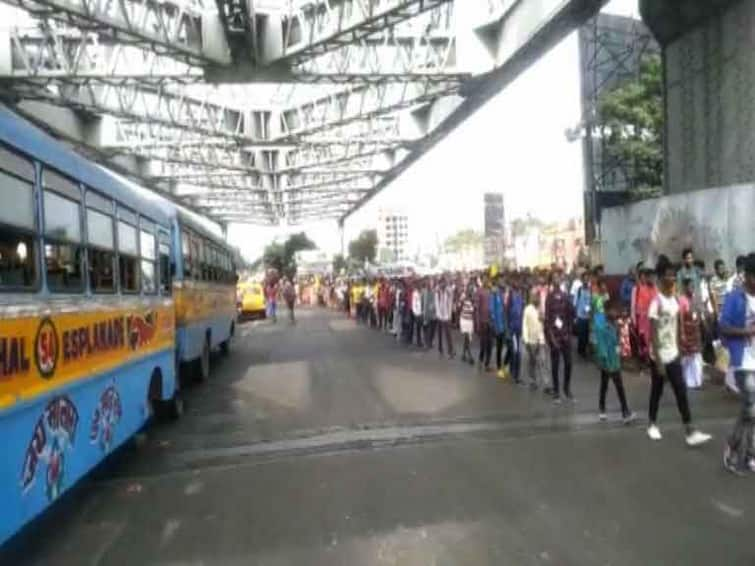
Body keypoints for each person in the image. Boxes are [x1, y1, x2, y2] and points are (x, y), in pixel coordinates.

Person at [647, 255, 711, 446]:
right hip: (658, 355)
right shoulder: (656, 303)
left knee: (681, 391)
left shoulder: (674, 300)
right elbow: (653, 334)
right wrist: (658, 361)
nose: (672, 279)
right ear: (661, 278)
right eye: (669, 276)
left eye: (674, 276)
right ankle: (652, 424)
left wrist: (679, 347)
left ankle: (690, 431)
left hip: (673, 353)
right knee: (656, 391)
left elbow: (675, 326)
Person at [720, 253, 755, 475]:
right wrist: (745, 332)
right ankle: (732, 447)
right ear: (749, 276)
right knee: (751, 407)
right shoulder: (735, 298)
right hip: (743, 360)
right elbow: (723, 326)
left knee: (752, 410)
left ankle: (750, 455)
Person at [594, 299, 635, 424]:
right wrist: (605, 361)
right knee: (617, 386)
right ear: (607, 311)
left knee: (605, 384)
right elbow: (601, 345)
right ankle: (624, 412)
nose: (615, 312)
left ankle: (603, 409)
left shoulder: (614, 323)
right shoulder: (601, 326)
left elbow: (617, 339)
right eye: (613, 310)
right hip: (608, 360)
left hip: (614, 358)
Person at [545, 270, 575, 403]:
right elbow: (547, 319)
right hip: (554, 337)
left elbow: (570, 315)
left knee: (568, 363)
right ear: (552, 281)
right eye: (554, 277)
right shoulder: (549, 297)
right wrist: (551, 338)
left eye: (559, 277)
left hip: (565, 335)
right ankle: (556, 391)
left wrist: (569, 333)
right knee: (555, 365)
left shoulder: (565, 296)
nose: (557, 279)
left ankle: (566, 388)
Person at [679, 277, 704, 389]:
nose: (692, 289)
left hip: (695, 331)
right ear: (684, 287)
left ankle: (697, 381)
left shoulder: (696, 298)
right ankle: (687, 381)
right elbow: (680, 318)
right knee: (687, 357)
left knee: (697, 356)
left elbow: (700, 312)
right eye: (689, 286)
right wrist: (682, 332)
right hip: (686, 331)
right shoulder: (681, 300)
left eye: (693, 286)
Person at [631, 267, 657, 364]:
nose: (652, 279)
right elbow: (638, 307)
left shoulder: (656, 289)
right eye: (650, 277)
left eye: (654, 277)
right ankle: (647, 359)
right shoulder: (641, 290)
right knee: (646, 340)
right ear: (646, 278)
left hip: (655, 320)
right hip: (645, 321)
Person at [523, 290, 546, 390]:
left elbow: (543, 323)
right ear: (531, 298)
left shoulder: (541, 308)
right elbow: (524, 325)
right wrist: (526, 339)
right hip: (531, 340)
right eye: (534, 297)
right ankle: (533, 381)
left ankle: (546, 383)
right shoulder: (527, 309)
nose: (536, 298)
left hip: (540, 339)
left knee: (543, 361)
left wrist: (542, 316)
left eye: (537, 296)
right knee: (532, 362)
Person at [507, 276, 525, 384]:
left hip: (519, 328)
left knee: (517, 351)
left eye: (518, 281)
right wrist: (508, 327)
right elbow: (507, 311)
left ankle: (514, 371)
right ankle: (515, 375)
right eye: (515, 281)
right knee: (516, 351)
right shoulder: (511, 295)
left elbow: (522, 311)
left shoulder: (521, 295)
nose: (517, 282)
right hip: (513, 328)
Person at [490, 275, 508, 379]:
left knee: (504, 346)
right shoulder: (494, 293)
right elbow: (492, 310)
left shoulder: (503, 293)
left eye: (503, 280)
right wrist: (494, 325)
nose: (502, 282)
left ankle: (503, 364)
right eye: (501, 280)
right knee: (499, 346)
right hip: (498, 324)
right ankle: (498, 366)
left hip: (504, 324)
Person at [435, 277, 455, 359]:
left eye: (444, 283)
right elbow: (436, 303)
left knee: (448, 334)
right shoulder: (437, 292)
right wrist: (438, 314)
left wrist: (449, 315)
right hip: (440, 315)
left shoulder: (448, 291)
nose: (443, 284)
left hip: (447, 315)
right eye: (441, 283)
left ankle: (450, 350)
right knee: (440, 334)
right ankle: (440, 349)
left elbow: (451, 300)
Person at [476, 276, 493, 371]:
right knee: (483, 343)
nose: (487, 281)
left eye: (488, 280)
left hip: (490, 321)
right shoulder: (479, 291)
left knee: (489, 343)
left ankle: (487, 364)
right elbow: (477, 308)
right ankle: (481, 359)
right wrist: (478, 323)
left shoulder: (490, 292)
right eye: (485, 280)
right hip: (483, 321)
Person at [574, 270, 592, 358]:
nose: (586, 281)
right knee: (581, 335)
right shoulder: (579, 290)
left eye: (587, 279)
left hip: (588, 316)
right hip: (580, 316)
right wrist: (575, 317)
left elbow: (591, 302)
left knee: (586, 334)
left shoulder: (590, 290)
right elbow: (575, 303)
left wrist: (590, 311)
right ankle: (581, 350)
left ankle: (583, 350)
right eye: (584, 279)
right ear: (582, 280)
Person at [459, 289, 475, 365]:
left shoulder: (465, 302)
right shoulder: (468, 303)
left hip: (465, 321)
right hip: (466, 322)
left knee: (466, 339)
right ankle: (470, 357)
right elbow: (472, 311)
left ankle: (463, 355)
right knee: (467, 339)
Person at [422, 278, 437, 348]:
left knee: (432, 329)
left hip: (433, 315)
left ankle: (431, 341)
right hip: (425, 314)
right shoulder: (424, 292)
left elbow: (437, 303)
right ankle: (426, 342)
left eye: (430, 283)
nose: (429, 285)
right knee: (425, 329)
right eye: (428, 283)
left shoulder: (435, 292)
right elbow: (422, 302)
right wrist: (422, 311)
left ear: (433, 284)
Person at [410, 279, 424, 347]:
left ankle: (423, 341)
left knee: (423, 327)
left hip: (423, 312)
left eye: (420, 285)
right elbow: (413, 303)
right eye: (418, 285)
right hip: (417, 313)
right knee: (418, 328)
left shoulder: (423, 292)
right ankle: (419, 341)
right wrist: (415, 312)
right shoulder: (415, 293)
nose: (419, 286)